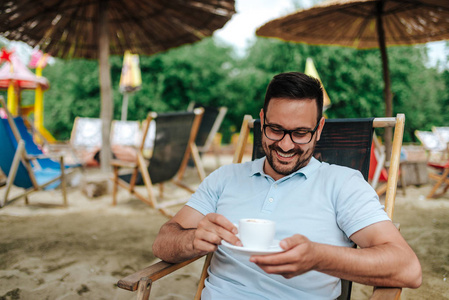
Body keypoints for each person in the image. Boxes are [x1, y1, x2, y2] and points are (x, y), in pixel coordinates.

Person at [153, 72, 422, 299]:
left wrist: (319, 258)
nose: (285, 144)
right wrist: (192, 240)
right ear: (262, 120)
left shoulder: (343, 184)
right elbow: (163, 242)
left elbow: (408, 269)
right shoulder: (225, 178)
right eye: (275, 129)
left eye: (301, 133)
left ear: (318, 129)